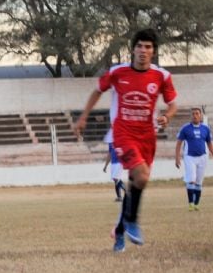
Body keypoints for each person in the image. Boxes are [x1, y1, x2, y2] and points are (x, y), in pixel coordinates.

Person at [75, 28, 177, 253]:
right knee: (141, 176)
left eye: (148, 47)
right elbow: (97, 90)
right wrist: (83, 117)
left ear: (154, 51)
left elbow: (173, 105)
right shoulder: (118, 72)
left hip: (147, 136)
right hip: (123, 133)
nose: (143, 50)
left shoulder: (162, 76)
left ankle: (121, 230)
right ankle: (131, 222)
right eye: (139, 46)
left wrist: (166, 117)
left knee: (137, 182)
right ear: (133, 49)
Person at [175, 107, 213, 211]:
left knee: (199, 182)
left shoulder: (205, 129)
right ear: (191, 116)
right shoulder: (185, 128)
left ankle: (197, 204)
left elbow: (209, 143)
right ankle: (190, 203)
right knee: (192, 179)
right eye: (193, 114)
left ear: (200, 115)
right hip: (189, 157)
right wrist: (177, 157)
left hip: (203, 157)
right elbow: (179, 143)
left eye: (197, 113)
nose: (195, 115)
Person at [102, 129, 125, 202]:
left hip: (119, 162)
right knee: (115, 179)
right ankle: (119, 197)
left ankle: (126, 193)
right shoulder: (110, 143)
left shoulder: (120, 140)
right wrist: (106, 165)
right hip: (113, 163)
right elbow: (110, 153)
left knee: (116, 178)